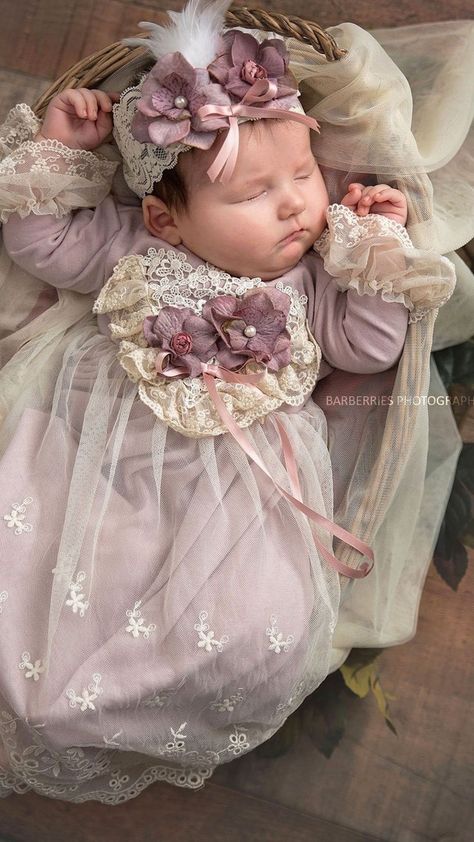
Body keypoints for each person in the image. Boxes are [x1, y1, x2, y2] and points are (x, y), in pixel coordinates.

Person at [0, 0, 454, 804]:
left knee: (252, 615)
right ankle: (59, 683)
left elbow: (370, 349)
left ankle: (158, 689)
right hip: (101, 454)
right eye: (252, 195)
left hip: (239, 488)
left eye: (305, 176)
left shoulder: (313, 273)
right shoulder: (132, 242)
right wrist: (61, 148)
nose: (292, 206)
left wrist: (374, 249)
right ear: (168, 219)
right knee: (50, 563)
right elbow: (40, 241)